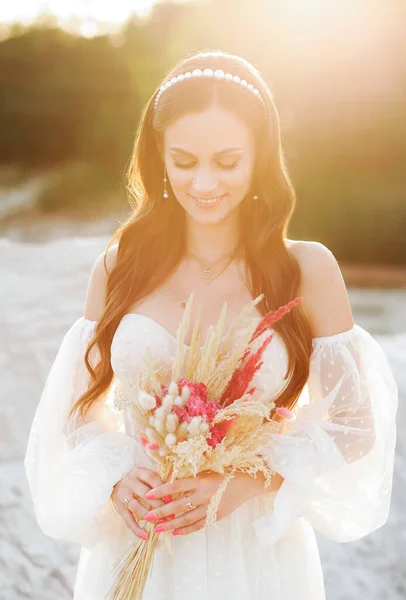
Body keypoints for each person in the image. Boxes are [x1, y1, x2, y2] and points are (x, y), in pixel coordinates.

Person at [24, 50, 399, 600]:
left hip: (256, 555)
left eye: (226, 162)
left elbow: (355, 423)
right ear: (160, 159)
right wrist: (116, 478)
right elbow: (80, 406)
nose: (203, 183)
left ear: (260, 160)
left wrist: (247, 481)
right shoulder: (119, 265)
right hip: (139, 541)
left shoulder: (307, 270)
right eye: (184, 160)